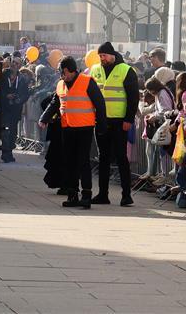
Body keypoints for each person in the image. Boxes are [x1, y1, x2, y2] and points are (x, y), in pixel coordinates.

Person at [39, 56, 106, 209]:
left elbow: (99, 103)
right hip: (67, 127)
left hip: (84, 128)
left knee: (83, 161)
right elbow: (55, 103)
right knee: (69, 162)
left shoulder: (87, 82)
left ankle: (86, 195)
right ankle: (72, 194)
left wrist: (102, 124)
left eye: (63, 72)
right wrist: (44, 118)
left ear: (71, 70)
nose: (61, 75)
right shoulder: (61, 85)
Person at [89, 42, 139, 207]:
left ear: (112, 55)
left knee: (121, 157)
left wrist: (128, 120)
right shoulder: (95, 69)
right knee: (103, 158)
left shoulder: (126, 70)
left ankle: (126, 195)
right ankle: (103, 194)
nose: (102, 58)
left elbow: (133, 98)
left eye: (104, 55)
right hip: (101, 120)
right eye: (100, 56)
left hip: (119, 121)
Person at [0, 59, 29, 163]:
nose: (14, 64)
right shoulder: (3, 75)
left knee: (13, 132)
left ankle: (9, 152)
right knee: (5, 131)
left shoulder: (22, 78)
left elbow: (26, 94)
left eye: (17, 63)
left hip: (15, 109)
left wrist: (19, 99)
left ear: (20, 66)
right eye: (13, 62)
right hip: (4, 108)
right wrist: (5, 96)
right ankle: (5, 154)